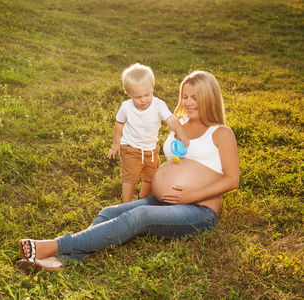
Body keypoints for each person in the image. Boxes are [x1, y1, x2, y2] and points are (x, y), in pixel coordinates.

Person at [16, 71, 240, 273]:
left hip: (199, 211)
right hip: (163, 201)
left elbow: (232, 180)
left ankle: (54, 246)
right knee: (108, 211)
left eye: (195, 97)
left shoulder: (221, 133)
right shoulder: (179, 124)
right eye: (185, 96)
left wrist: (193, 195)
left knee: (138, 217)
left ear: (209, 98)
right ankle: (69, 260)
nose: (188, 102)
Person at [107, 63, 189, 203]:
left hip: (151, 150)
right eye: (138, 97)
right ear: (128, 93)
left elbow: (171, 120)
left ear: (152, 88)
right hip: (131, 148)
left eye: (147, 94)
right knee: (130, 179)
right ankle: (126, 205)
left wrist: (181, 132)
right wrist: (116, 144)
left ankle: (141, 198)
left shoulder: (158, 105)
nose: (144, 100)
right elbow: (119, 124)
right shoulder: (126, 107)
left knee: (152, 178)